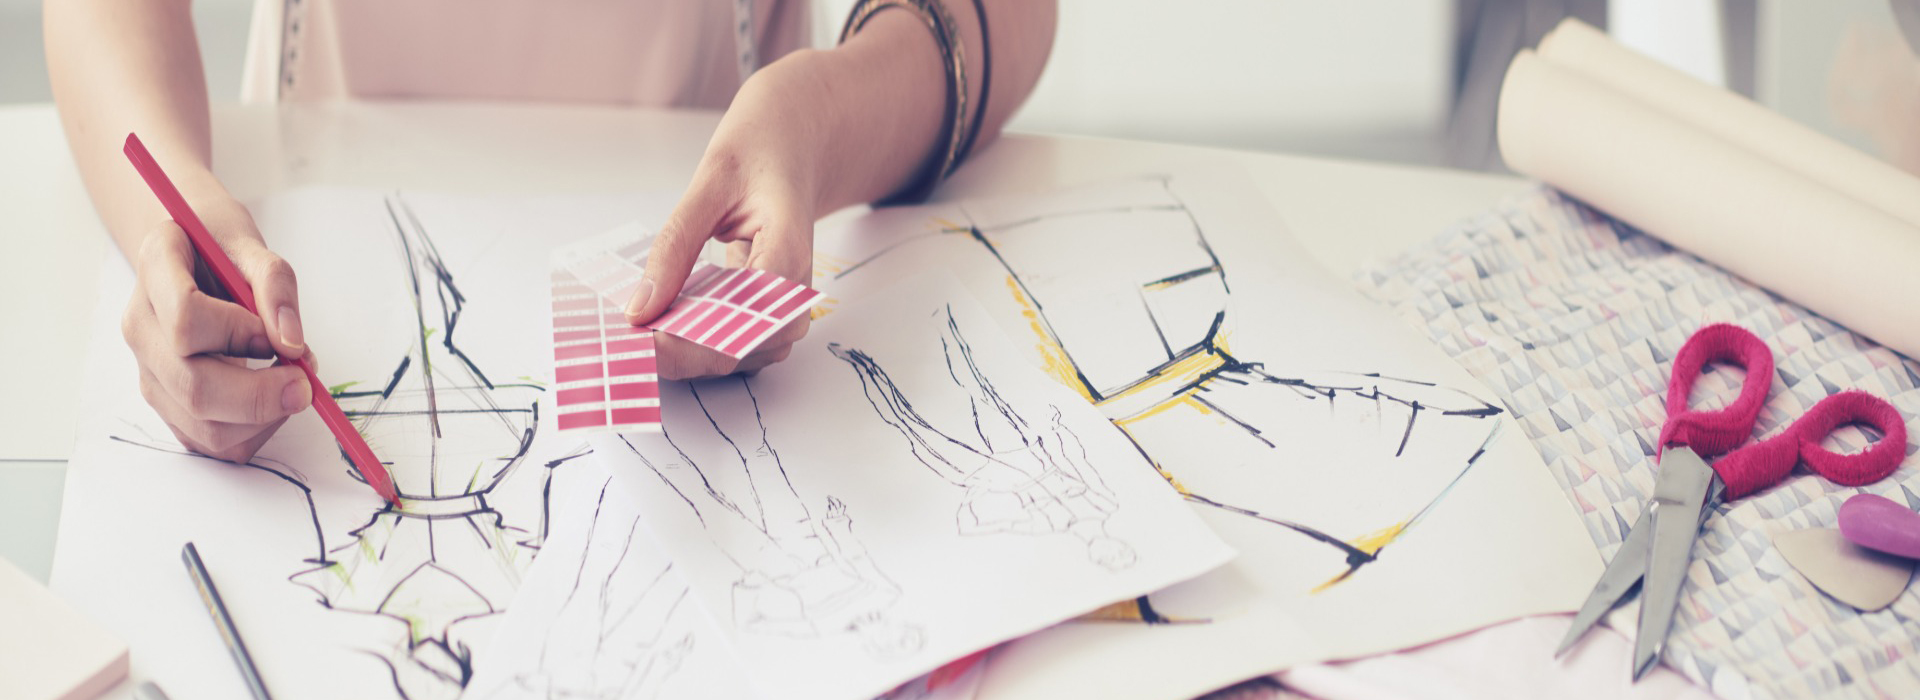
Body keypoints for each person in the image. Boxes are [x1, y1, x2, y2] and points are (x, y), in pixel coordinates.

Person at [45, 0, 1057, 464]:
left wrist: (826, 118)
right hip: (315, 180)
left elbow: (1017, 14)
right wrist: (172, 209)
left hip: (714, 197)